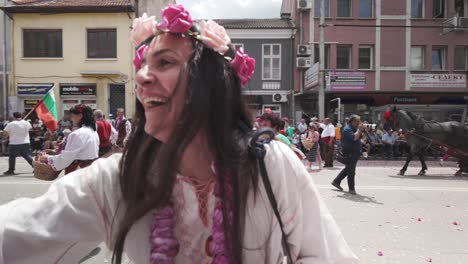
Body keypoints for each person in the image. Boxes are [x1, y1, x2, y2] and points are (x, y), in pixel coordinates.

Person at [0, 5, 359, 264]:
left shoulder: (269, 165)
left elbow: (325, 255)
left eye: (165, 63)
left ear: (210, 84)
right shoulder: (119, 178)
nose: (141, 78)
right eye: (142, 66)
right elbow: (22, 231)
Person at [38, 104, 99, 174]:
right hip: (91, 170)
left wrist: (48, 158)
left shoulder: (77, 134)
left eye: (72, 116)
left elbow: (66, 158)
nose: (71, 119)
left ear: (80, 116)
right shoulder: (92, 131)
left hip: (79, 171)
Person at [331, 115, 363, 195]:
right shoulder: (347, 129)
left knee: (348, 168)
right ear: (352, 121)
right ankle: (351, 189)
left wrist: (362, 130)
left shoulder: (354, 128)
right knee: (351, 171)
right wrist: (359, 129)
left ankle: (336, 181)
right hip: (350, 152)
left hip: (355, 152)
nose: (359, 123)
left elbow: (361, 137)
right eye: (357, 121)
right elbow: (354, 138)